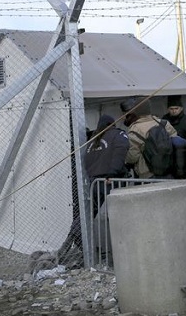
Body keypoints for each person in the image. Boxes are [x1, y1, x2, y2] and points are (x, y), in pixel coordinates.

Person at [58, 114, 129, 267]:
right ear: (113, 124)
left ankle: (84, 247)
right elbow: (121, 151)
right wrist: (113, 172)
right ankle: (116, 254)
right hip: (111, 182)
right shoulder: (118, 135)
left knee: (88, 215)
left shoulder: (92, 141)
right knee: (117, 218)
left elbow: (87, 161)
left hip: (94, 183)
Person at [121, 96, 177, 179]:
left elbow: (132, 157)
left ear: (136, 111)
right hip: (169, 171)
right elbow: (175, 141)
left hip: (147, 175)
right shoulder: (164, 123)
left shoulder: (135, 130)